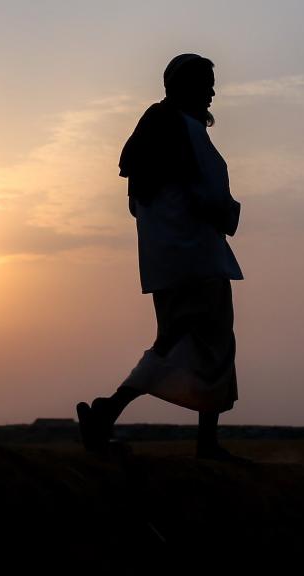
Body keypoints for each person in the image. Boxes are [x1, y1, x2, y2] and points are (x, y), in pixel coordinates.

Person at [75, 53, 245, 462]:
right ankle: (110, 412)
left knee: (194, 345)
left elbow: (142, 204)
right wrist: (227, 211)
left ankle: (114, 414)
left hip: (173, 259)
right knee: (204, 346)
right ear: (185, 86)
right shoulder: (182, 130)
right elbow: (203, 196)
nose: (212, 91)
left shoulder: (159, 130)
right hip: (196, 257)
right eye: (205, 82)